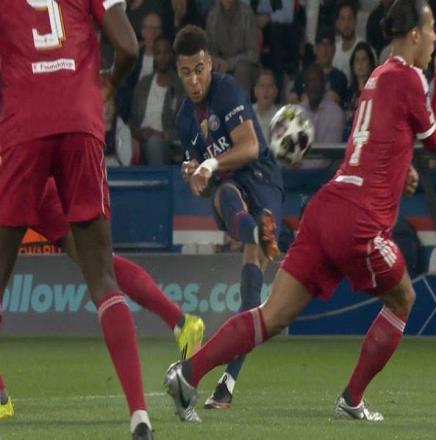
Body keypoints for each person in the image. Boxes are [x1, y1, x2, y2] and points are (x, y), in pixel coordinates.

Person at [164, 0, 436, 423]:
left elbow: (375, 144)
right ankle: (352, 399)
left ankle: (187, 375)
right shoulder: (410, 76)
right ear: (415, 34)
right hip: (359, 220)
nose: (435, 39)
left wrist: (401, 170)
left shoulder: (377, 76)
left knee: (270, 316)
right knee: (402, 299)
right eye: (431, 30)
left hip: (326, 207)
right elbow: (435, 140)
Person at [0, 2, 158, 438]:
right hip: (80, 122)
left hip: (23, 130)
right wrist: (110, 81)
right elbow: (128, 47)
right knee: (103, 278)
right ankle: (139, 415)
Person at [0, 177, 206, 420]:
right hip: (37, 177)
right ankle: (180, 321)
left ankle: (1, 398)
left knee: (97, 264)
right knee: (98, 262)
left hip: (14, 180)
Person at [173, 25, 284, 414]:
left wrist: (209, 164)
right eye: (185, 73)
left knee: (252, 289)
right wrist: (194, 173)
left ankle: (228, 381)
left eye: (199, 70)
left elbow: (250, 146)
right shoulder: (184, 118)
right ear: (178, 71)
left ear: (210, 63)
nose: (194, 80)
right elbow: (203, 182)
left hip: (262, 179)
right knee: (224, 196)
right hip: (232, 191)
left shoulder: (228, 90)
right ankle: (257, 234)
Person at [130, 36, 185, 165]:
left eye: (165, 53)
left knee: (154, 143)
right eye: (158, 53)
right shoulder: (143, 84)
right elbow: (132, 120)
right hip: (139, 141)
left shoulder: (180, 87)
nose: (162, 57)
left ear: (172, 55)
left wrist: (160, 135)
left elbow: (185, 127)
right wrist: (138, 134)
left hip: (166, 144)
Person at [343, 41, 378, 139]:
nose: (360, 64)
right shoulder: (348, 94)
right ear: (353, 65)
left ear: (370, 64)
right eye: (357, 60)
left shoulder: (377, 92)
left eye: (364, 60)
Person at [253, 69, 279, 144]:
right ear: (255, 91)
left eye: (270, 86)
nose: (266, 90)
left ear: (275, 92)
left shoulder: (280, 118)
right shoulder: (246, 114)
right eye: (262, 86)